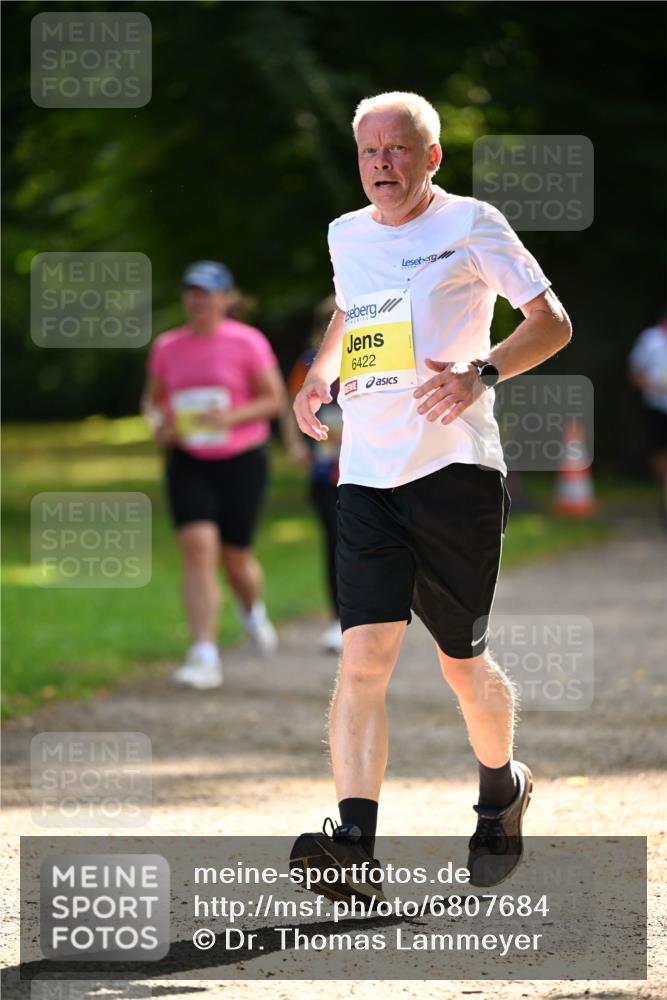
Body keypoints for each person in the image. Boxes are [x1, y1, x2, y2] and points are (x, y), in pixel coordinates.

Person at [289, 92, 572, 898]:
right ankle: (353, 845)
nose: (383, 163)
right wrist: (318, 373)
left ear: (431, 157)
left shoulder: (471, 224)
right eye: (369, 151)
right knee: (363, 658)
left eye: (398, 149)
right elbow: (352, 308)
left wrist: (480, 373)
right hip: (367, 476)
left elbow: (550, 322)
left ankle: (500, 788)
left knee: (459, 662)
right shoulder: (346, 233)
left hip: (455, 475)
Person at [142, 261, 285, 689]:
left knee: (235, 555)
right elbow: (151, 401)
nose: (198, 300)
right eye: (192, 292)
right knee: (199, 547)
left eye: (208, 292)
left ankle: (252, 611)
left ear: (226, 298)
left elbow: (274, 400)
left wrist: (230, 415)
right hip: (188, 458)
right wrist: (157, 425)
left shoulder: (248, 342)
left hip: (242, 458)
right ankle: (204, 653)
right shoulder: (168, 346)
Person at [284, 296, 344, 654]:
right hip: (325, 470)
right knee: (334, 543)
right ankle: (339, 619)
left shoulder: (378, 353)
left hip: (372, 466)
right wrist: (295, 443)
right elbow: (291, 404)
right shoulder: (308, 363)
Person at [628, 312, 667, 528]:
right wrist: (651, 386)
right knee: (660, 456)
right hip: (657, 406)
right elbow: (634, 372)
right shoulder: (651, 340)